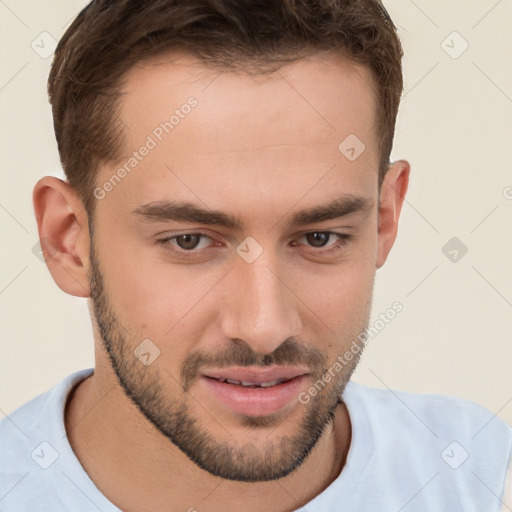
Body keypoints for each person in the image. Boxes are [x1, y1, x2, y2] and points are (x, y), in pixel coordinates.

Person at [1, 1, 511, 510]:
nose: (264, 327)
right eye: (190, 241)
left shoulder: (482, 478)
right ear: (69, 241)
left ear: (383, 220)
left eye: (319, 238)